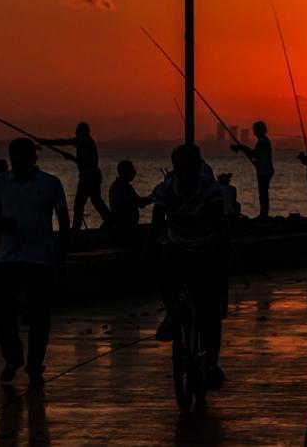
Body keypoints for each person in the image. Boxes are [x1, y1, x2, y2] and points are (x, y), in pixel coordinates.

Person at [0, 138, 71, 384]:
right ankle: (12, 358)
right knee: (4, 312)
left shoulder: (51, 184)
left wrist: (61, 255)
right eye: (15, 158)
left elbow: (63, 221)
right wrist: (2, 225)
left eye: (23, 157)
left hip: (41, 260)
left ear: (33, 158)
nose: (19, 162)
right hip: (7, 259)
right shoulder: (0, 183)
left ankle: (35, 364)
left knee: (40, 316)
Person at [148, 143, 229, 388]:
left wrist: (222, 251)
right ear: (175, 168)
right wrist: (147, 252)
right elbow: (155, 226)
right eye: (182, 167)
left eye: (192, 167)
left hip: (206, 248)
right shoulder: (166, 190)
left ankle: (212, 362)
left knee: (210, 309)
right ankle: (172, 312)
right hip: (179, 247)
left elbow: (221, 224)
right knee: (164, 272)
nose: (187, 172)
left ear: (199, 166)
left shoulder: (210, 189)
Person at [41, 122, 110, 231]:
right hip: (92, 176)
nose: (77, 135)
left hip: (89, 178)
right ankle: (109, 220)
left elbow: (83, 161)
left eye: (78, 133)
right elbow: (64, 142)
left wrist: (70, 157)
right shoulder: (85, 141)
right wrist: (46, 142)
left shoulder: (86, 143)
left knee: (79, 204)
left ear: (83, 133)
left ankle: (76, 227)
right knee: (96, 201)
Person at [230, 121, 273, 219]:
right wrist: (241, 148)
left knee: (263, 193)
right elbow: (255, 154)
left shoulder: (263, 141)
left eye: (255, 129)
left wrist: (241, 147)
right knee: (263, 193)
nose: (254, 130)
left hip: (265, 171)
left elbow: (255, 154)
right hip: (264, 170)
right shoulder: (262, 140)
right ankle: (264, 213)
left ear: (258, 130)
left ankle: (264, 214)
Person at [107, 160, 152, 247]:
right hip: (125, 228)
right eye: (132, 170)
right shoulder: (124, 188)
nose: (135, 172)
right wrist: (153, 197)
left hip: (123, 226)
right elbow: (139, 203)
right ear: (125, 172)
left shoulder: (117, 185)